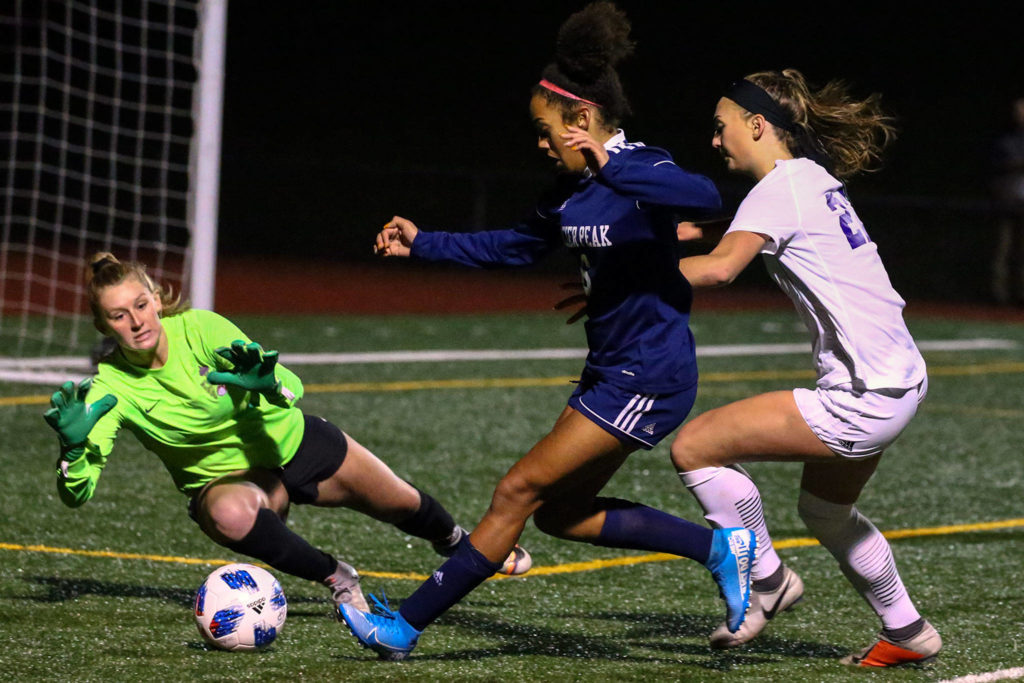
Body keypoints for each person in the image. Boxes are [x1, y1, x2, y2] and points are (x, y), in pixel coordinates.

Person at [336, 2, 757, 661]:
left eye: (546, 129)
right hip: (611, 370)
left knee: (516, 490)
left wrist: (609, 167)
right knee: (563, 514)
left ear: (582, 120)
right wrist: (424, 242)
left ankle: (404, 626)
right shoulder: (564, 193)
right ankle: (719, 546)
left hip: (650, 371)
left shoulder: (642, 170)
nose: (539, 142)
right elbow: (514, 246)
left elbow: (705, 197)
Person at [43, 252, 531, 622]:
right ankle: (338, 578)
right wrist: (72, 452)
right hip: (228, 481)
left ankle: (457, 542)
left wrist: (268, 384)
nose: (135, 321)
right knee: (229, 515)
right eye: (118, 315)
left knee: (404, 504)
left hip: (292, 444)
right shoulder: (108, 389)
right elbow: (75, 495)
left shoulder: (199, 327)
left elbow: (291, 385)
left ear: (155, 298)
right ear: (102, 324)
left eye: (141, 305)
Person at [666, 70, 941, 667]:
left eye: (722, 128)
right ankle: (908, 630)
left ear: (757, 124)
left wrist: (622, 282)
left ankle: (767, 579)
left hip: (862, 396)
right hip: (902, 381)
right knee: (825, 510)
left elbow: (717, 270)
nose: (716, 141)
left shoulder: (777, 190)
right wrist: (685, 234)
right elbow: (754, 226)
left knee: (694, 448)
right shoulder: (809, 177)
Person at [990, 96, 1024, 305]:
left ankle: (1021, 296)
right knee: (1003, 251)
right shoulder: (1006, 141)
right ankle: (999, 299)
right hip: (1008, 203)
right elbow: (997, 167)